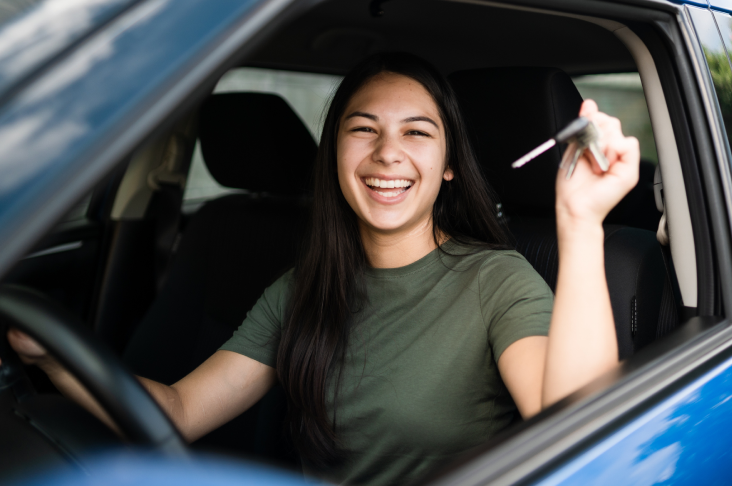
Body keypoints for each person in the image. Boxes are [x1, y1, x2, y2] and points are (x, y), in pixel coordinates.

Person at [3, 53, 640, 485]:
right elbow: (177, 410)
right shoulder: (303, 289)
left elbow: (579, 428)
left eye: (417, 133)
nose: (387, 153)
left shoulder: (495, 281)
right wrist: (52, 357)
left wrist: (580, 224)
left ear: (449, 164)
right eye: (363, 130)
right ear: (335, 154)